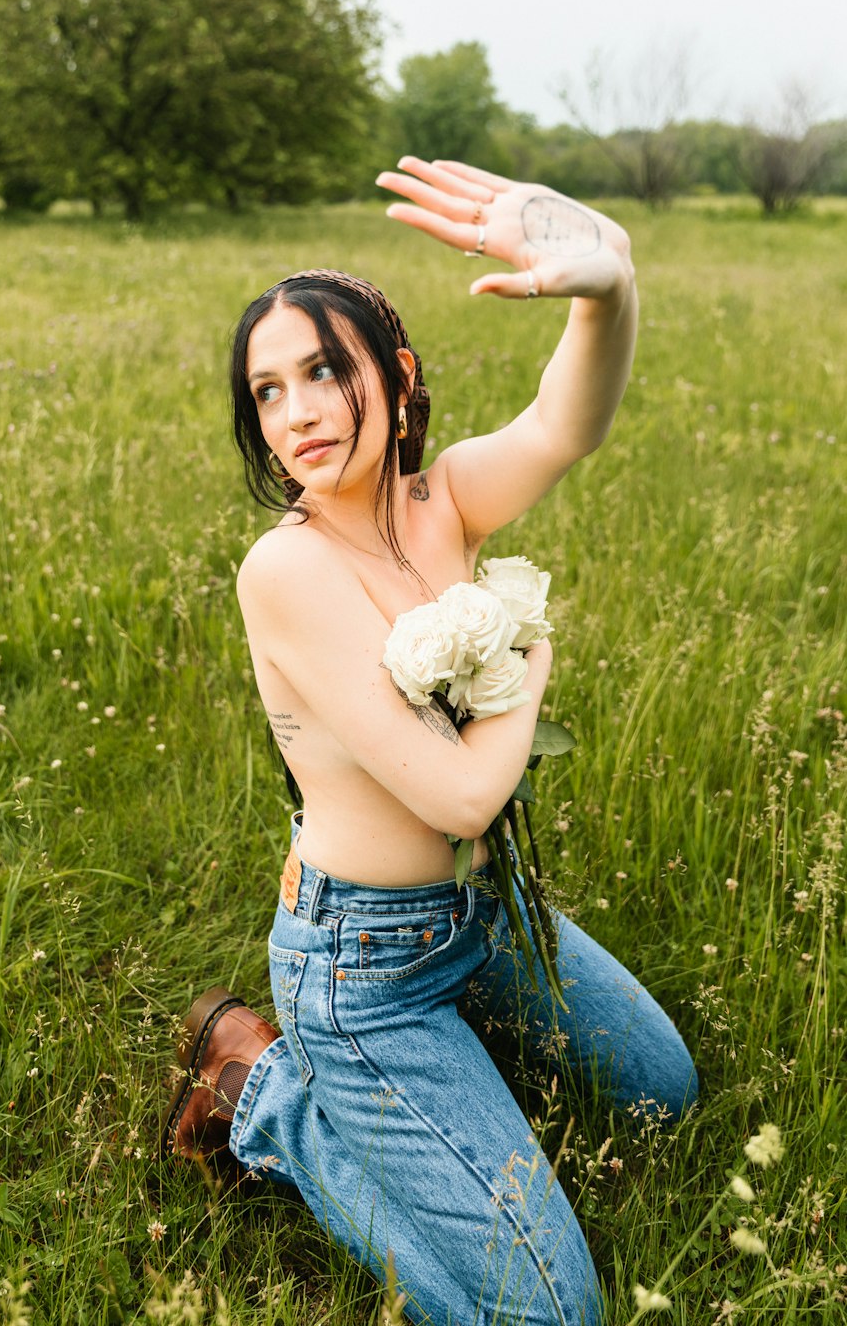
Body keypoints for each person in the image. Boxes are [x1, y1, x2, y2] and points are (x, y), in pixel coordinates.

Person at [162, 157, 698, 1326]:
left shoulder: (441, 498)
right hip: (362, 971)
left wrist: (606, 288)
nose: (295, 411)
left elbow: (571, 417)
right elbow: (460, 793)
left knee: (665, 1090)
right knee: (556, 1315)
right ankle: (271, 1102)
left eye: (322, 371)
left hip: (481, 911)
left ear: (395, 375)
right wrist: (525, 656)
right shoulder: (287, 569)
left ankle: (432, 1074)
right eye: (266, 391)